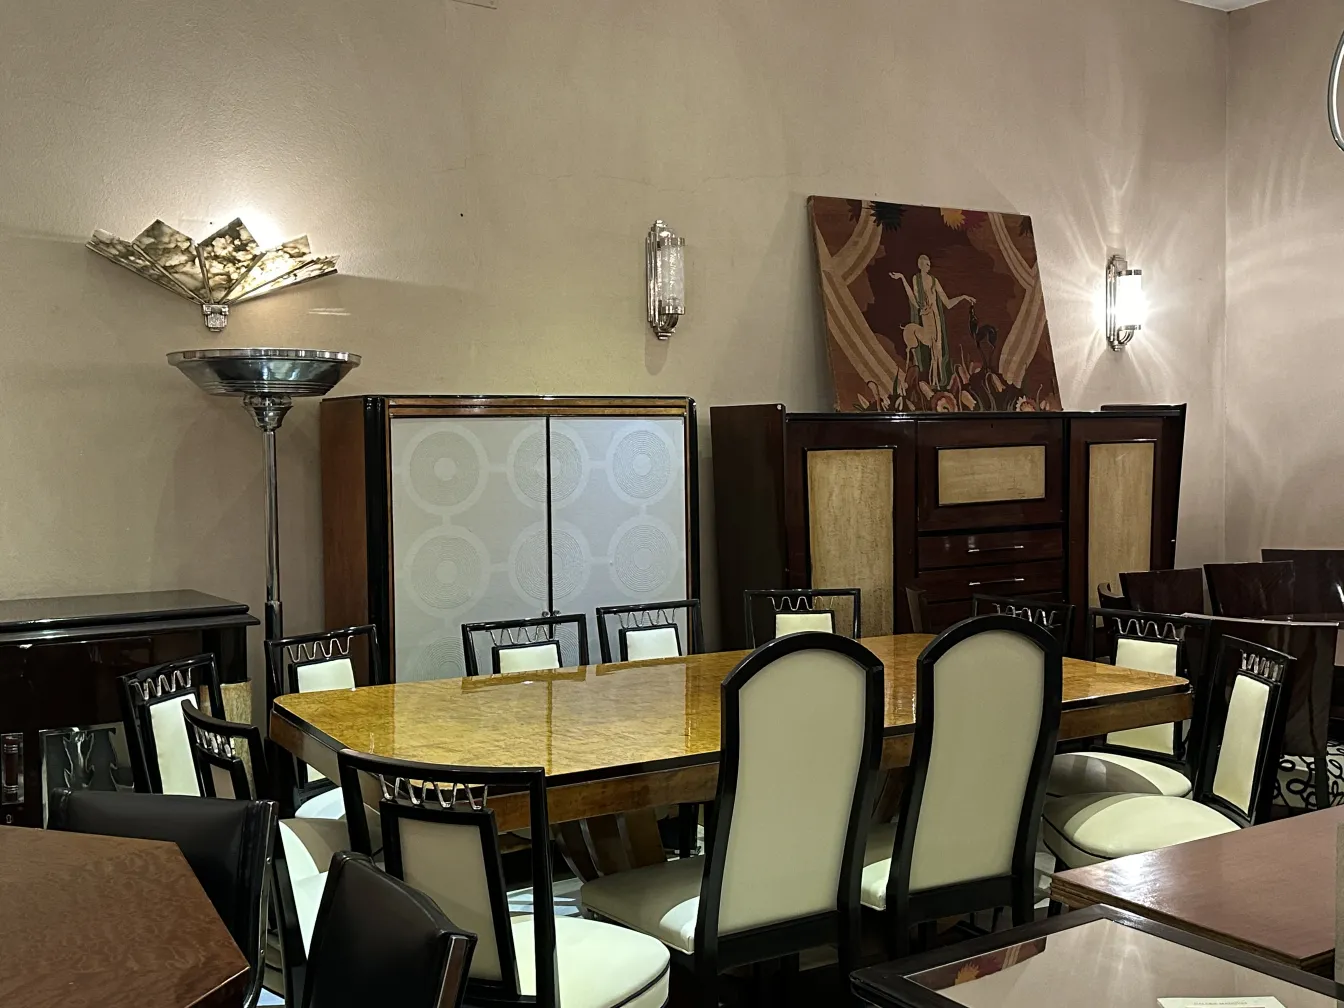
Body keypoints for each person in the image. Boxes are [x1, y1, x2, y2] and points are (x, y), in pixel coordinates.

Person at [891, 255, 976, 390]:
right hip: (926, 317)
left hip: (936, 319)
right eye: (926, 264)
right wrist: (902, 279)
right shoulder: (916, 279)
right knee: (931, 352)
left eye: (929, 264)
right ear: (920, 265)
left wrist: (963, 297)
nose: (928, 267)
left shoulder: (934, 281)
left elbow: (947, 303)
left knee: (938, 353)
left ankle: (938, 383)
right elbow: (914, 300)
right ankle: (930, 382)